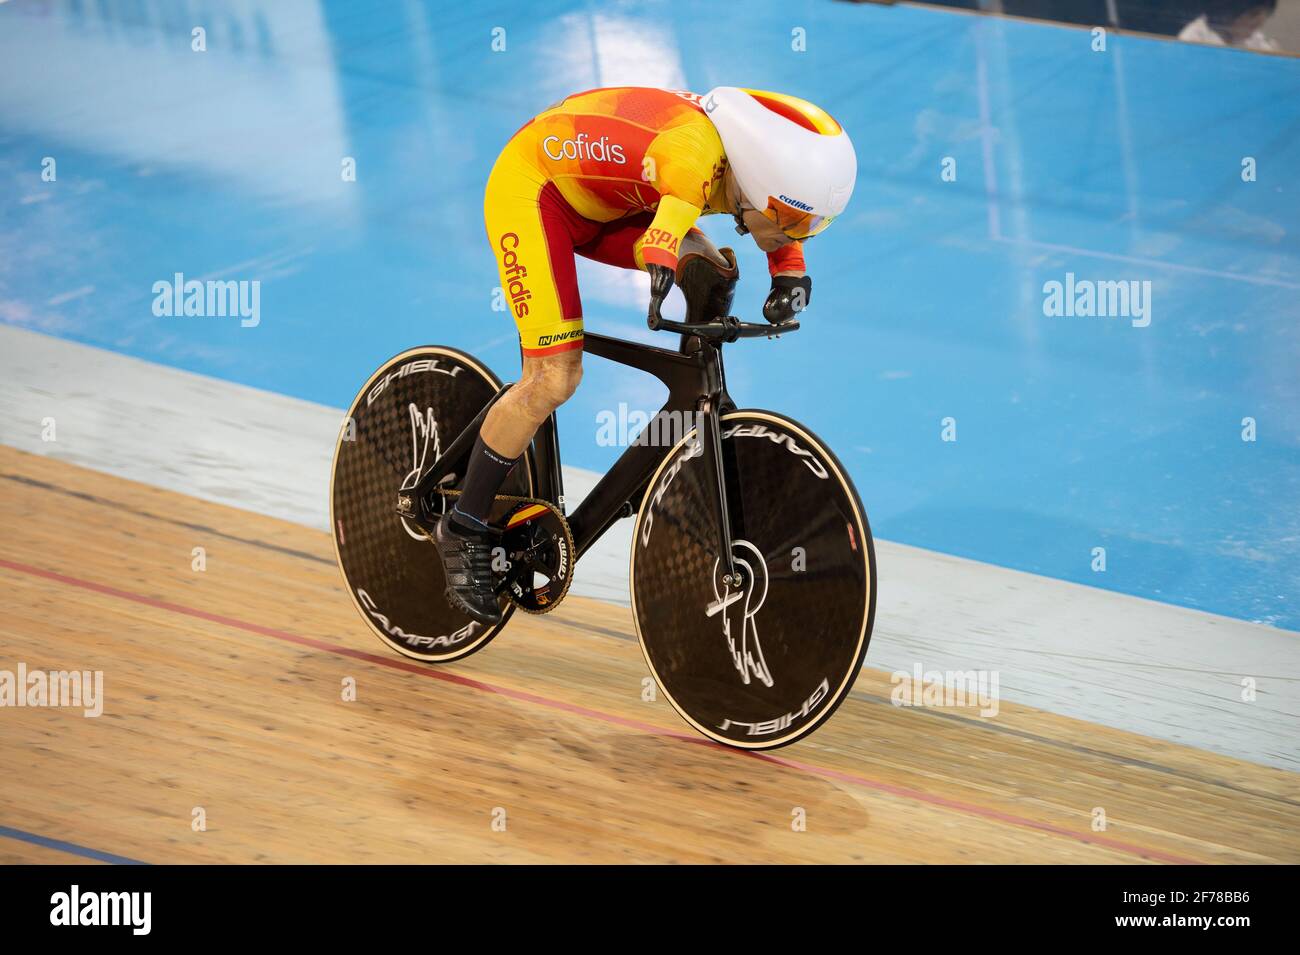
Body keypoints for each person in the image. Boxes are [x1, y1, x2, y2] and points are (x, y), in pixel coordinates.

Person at [435, 86, 857, 623]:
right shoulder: (692, 156)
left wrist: (790, 274)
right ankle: (464, 525)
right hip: (535, 193)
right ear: (758, 181)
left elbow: (775, 222)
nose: (799, 233)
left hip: (612, 201)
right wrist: (661, 269)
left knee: (712, 270)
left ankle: (682, 422)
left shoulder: (754, 175)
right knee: (554, 377)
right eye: (795, 221)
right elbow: (665, 234)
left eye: (813, 226)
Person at [1178, 0, 1279, 50]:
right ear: (1227, 12)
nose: (1261, 22)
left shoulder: (1254, 38)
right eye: (1253, 14)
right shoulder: (1194, 38)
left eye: (1267, 13)